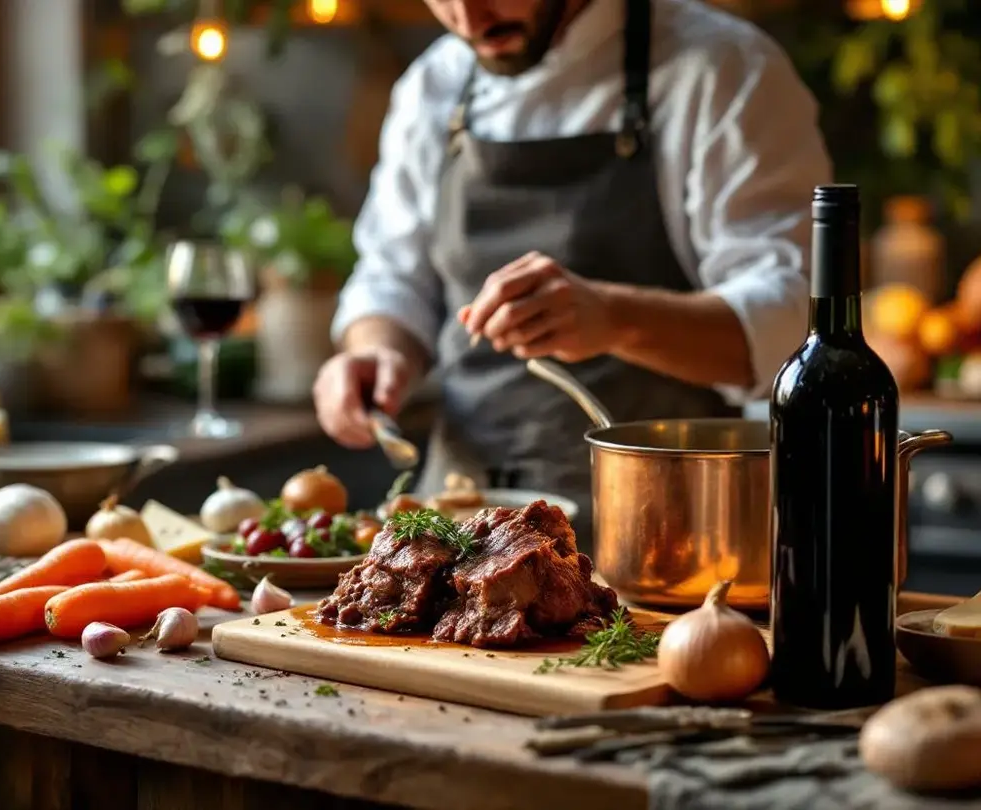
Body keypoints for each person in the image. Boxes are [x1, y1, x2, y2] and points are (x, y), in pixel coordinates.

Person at [312, 0, 832, 520]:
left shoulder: (722, 67)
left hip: (660, 532)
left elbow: (793, 325)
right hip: (457, 521)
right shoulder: (435, 83)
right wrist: (379, 351)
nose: (468, 19)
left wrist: (615, 318)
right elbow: (392, 278)